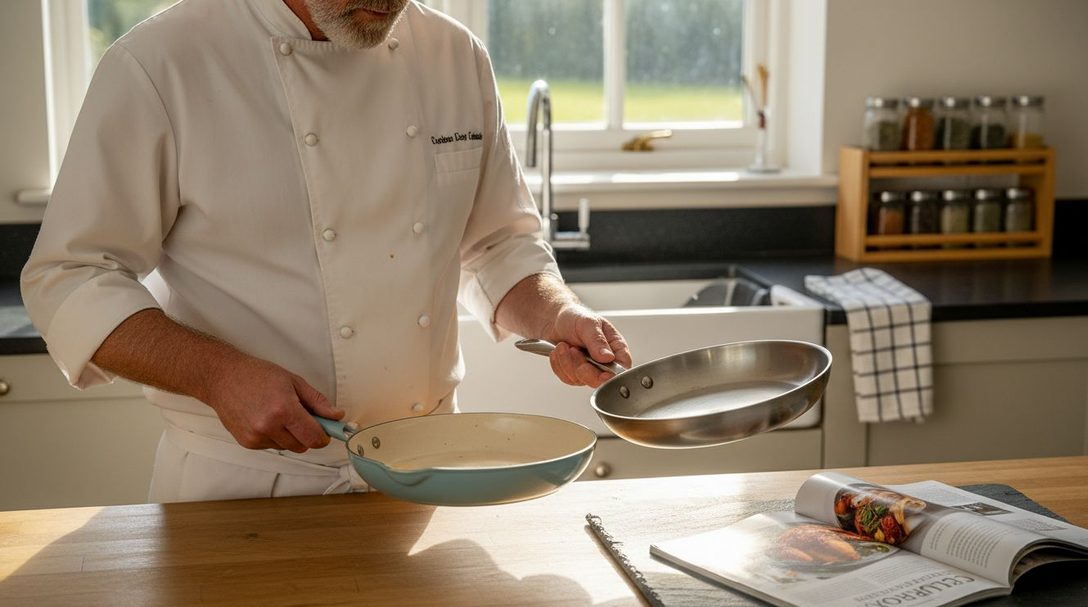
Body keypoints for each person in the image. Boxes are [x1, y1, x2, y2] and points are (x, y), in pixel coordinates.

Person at [20, 0, 632, 502]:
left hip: (426, 476)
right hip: (239, 490)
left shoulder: (454, 55)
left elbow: (495, 242)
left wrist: (557, 313)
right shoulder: (162, 62)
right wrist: (218, 375)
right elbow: (69, 276)